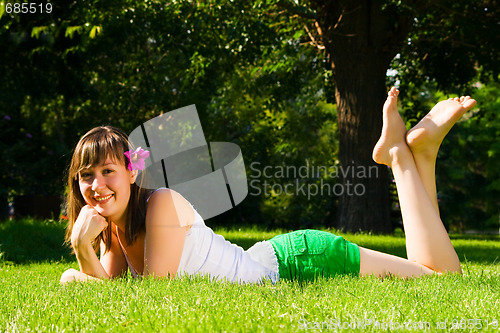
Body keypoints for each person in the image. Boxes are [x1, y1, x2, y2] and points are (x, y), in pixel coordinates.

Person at [60, 87, 477, 284]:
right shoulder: (112, 229)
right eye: (86, 175)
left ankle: (400, 158)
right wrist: (85, 250)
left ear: (132, 173)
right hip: (272, 259)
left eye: (107, 171)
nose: (97, 185)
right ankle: (424, 153)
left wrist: (80, 257)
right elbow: (110, 298)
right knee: (435, 271)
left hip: (300, 261)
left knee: (442, 278)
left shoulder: (161, 205)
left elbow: (154, 298)